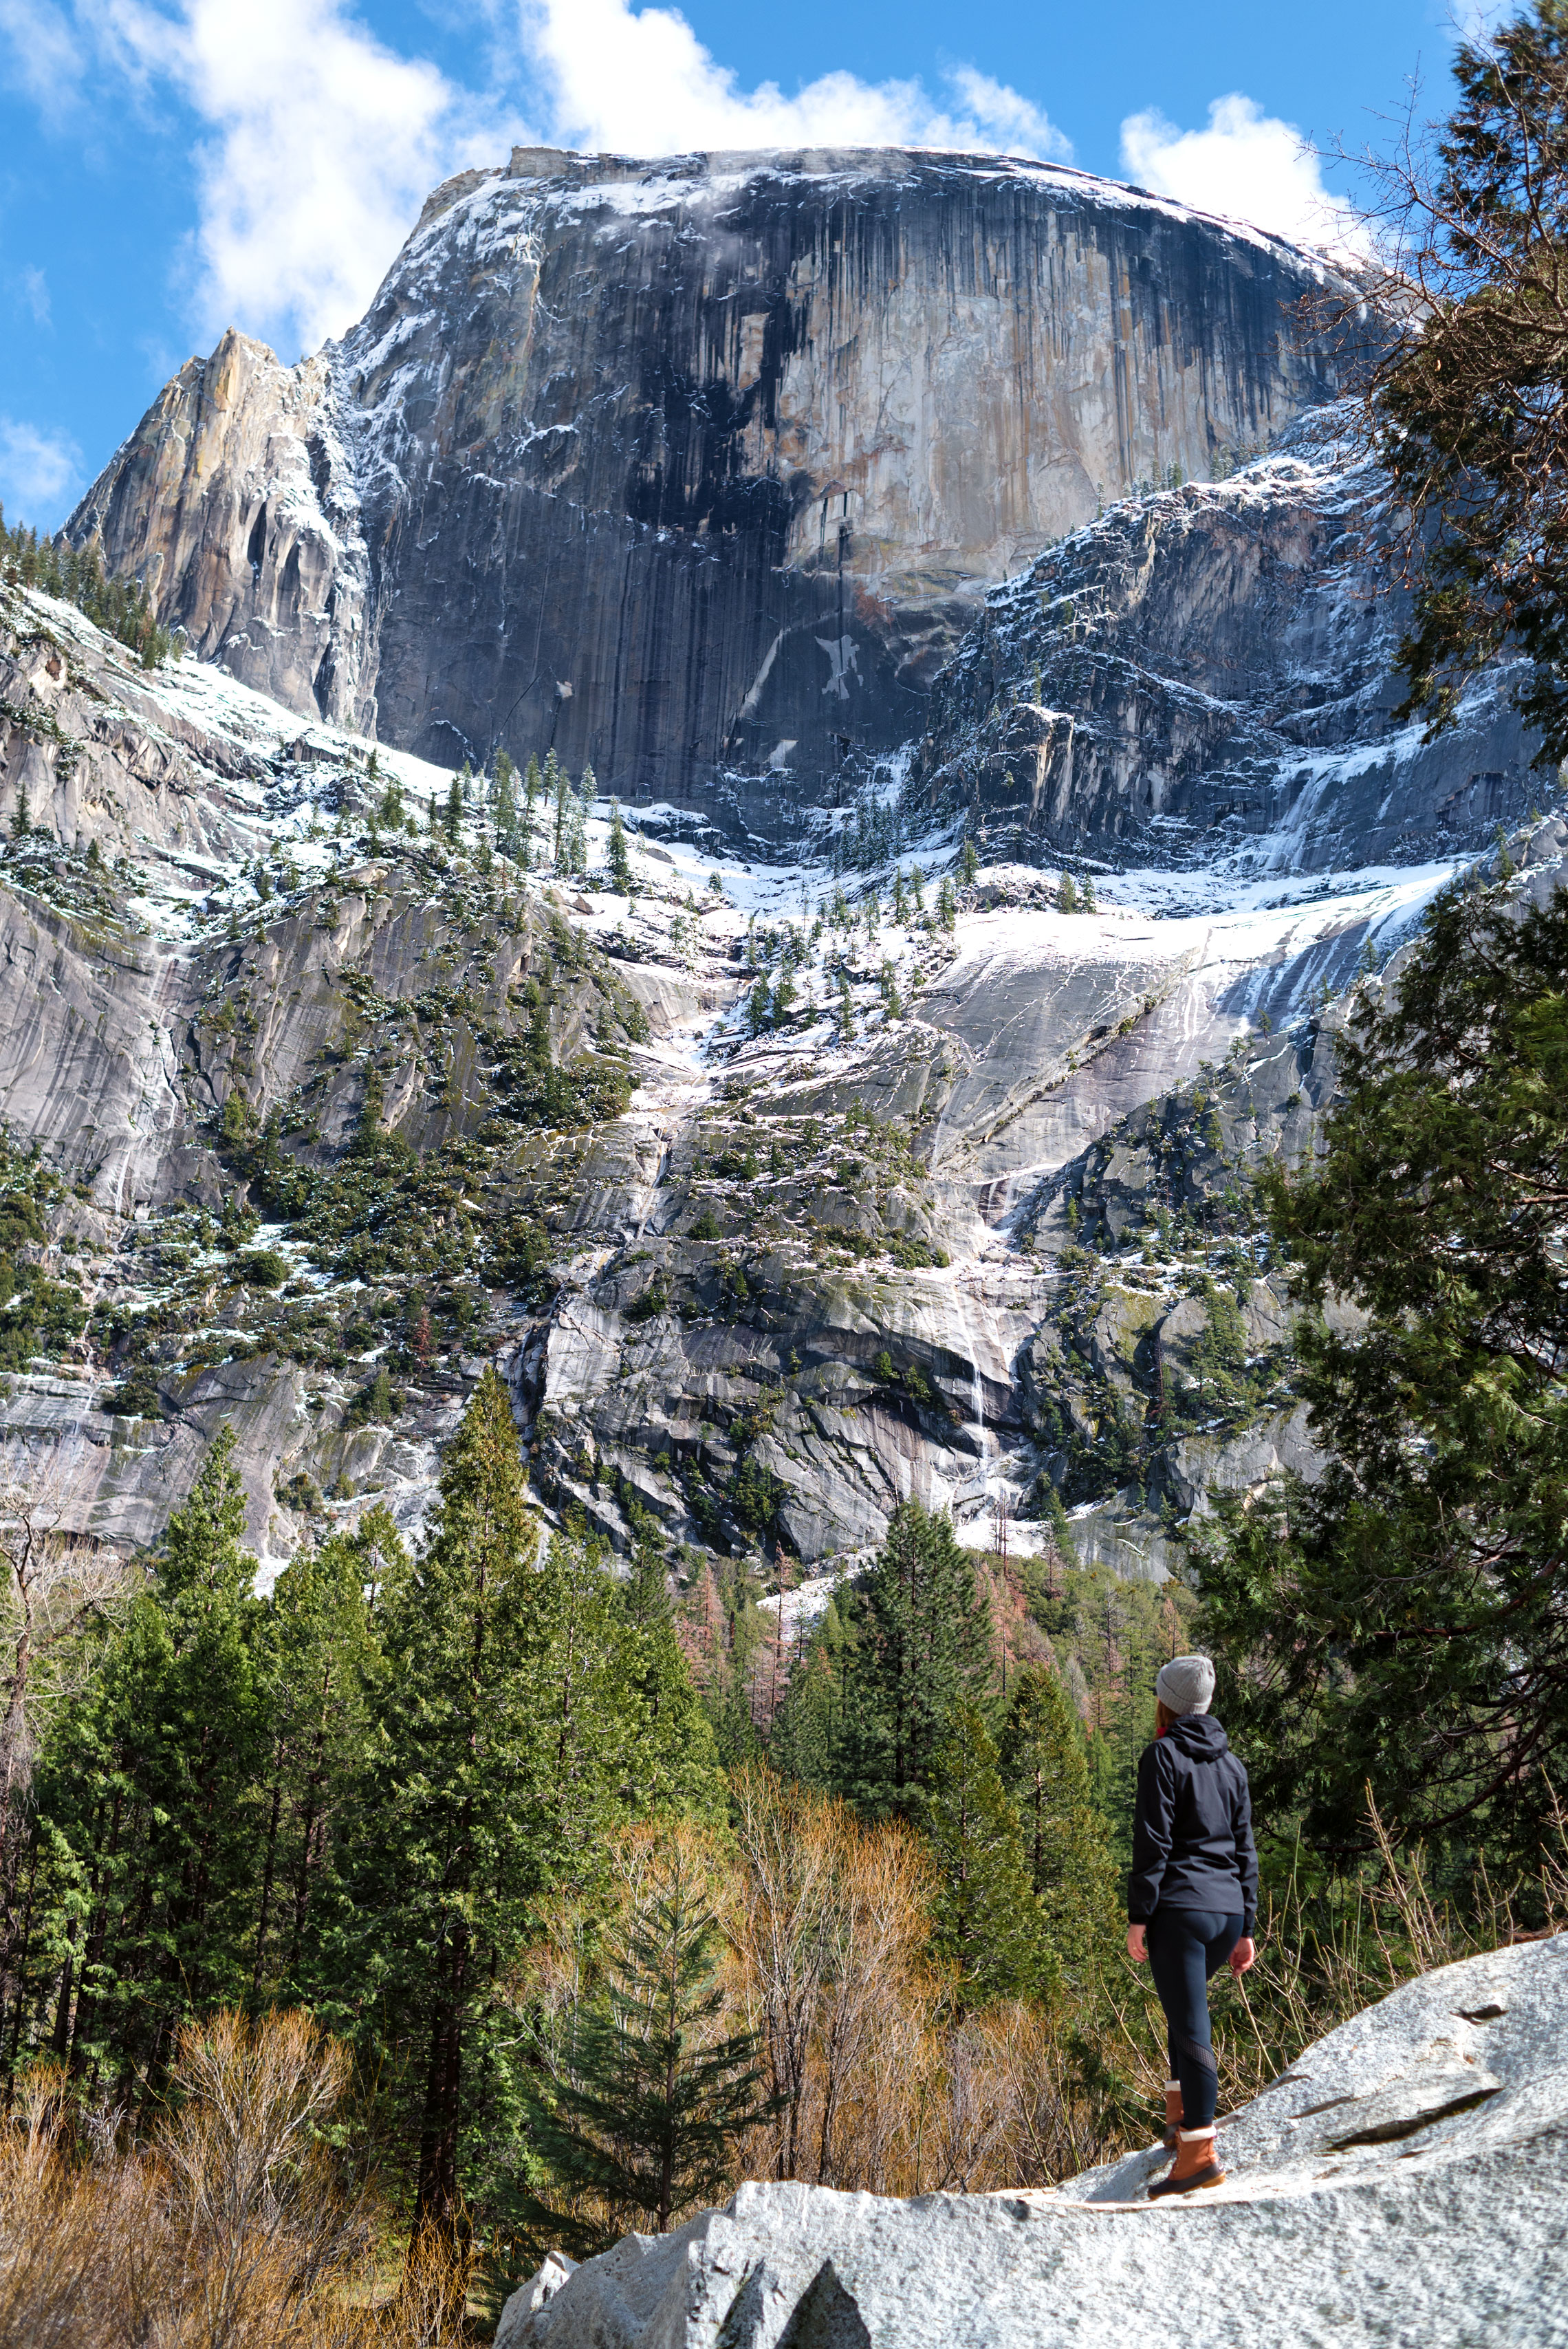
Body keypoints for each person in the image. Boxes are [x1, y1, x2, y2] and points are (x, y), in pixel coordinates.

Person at [1126, 1652, 1258, 2198]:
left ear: (1168, 1703)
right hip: (1226, 1912)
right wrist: (1246, 1924)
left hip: (1179, 1910)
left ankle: (1200, 2154)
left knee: (1191, 2023)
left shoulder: (1162, 1755)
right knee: (1185, 2015)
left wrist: (1139, 1915)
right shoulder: (1232, 1765)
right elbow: (1245, 1848)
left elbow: (1153, 1842)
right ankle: (1180, 2121)